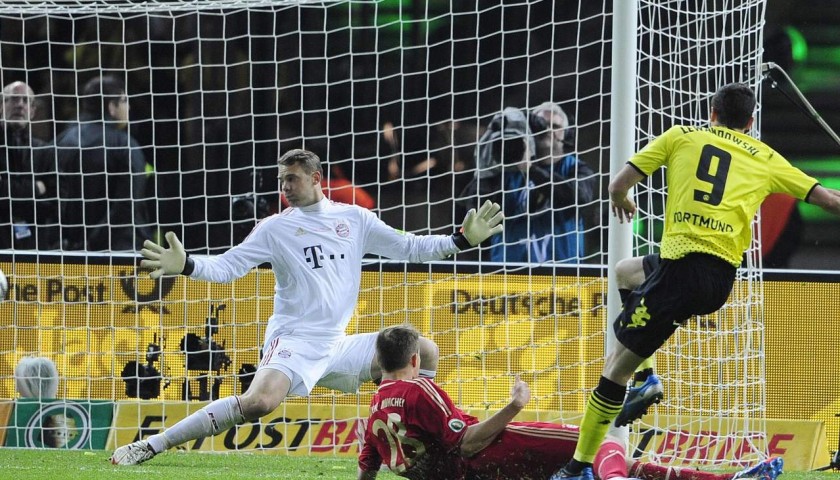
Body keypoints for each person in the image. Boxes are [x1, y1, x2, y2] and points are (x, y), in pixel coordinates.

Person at [110, 148, 504, 466]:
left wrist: (461, 240)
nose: (285, 186)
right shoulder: (275, 227)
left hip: (337, 345)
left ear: (316, 179)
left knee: (425, 350)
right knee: (258, 403)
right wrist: (188, 265)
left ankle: (436, 451)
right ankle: (153, 445)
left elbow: (411, 246)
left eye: (292, 178)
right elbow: (229, 266)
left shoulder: (355, 219)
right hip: (294, 341)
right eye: (282, 180)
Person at [553, 82, 840, 480]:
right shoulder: (767, 157)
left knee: (612, 368)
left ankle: (576, 468)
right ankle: (647, 380)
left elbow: (617, 184)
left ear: (712, 111)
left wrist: (621, 199)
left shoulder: (680, 135)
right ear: (751, 122)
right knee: (625, 272)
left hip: (682, 273)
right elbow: (828, 198)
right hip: (716, 275)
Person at [357, 324, 783, 480]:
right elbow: (466, 442)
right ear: (414, 361)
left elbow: (367, 466)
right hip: (486, 456)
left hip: (467, 474)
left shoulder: (376, 405)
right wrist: (514, 406)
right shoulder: (419, 392)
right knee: (600, 445)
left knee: (608, 459)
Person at [458, 103, 595, 263]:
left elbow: (578, 197)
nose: (548, 130)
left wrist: (531, 169)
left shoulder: (576, 167)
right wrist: (486, 168)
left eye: (555, 126)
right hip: (508, 274)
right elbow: (476, 211)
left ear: (567, 135)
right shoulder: (506, 170)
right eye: (541, 124)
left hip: (562, 276)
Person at [56, 75, 154, 251]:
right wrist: (93, 242)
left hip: (69, 248)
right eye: (124, 101)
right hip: (119, 249)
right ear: (112, 107)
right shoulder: (125, 145)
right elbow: (126, 205)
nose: (129, 107)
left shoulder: (61, 141)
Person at [0, 81, 59, 250]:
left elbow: (56, 204)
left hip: (35, 247)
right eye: (14, 99)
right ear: (1, 106)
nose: (20, 105)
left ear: (33, 111)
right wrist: (35, 189)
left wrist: (6, 189)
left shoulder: (45, 151)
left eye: (26, 101)